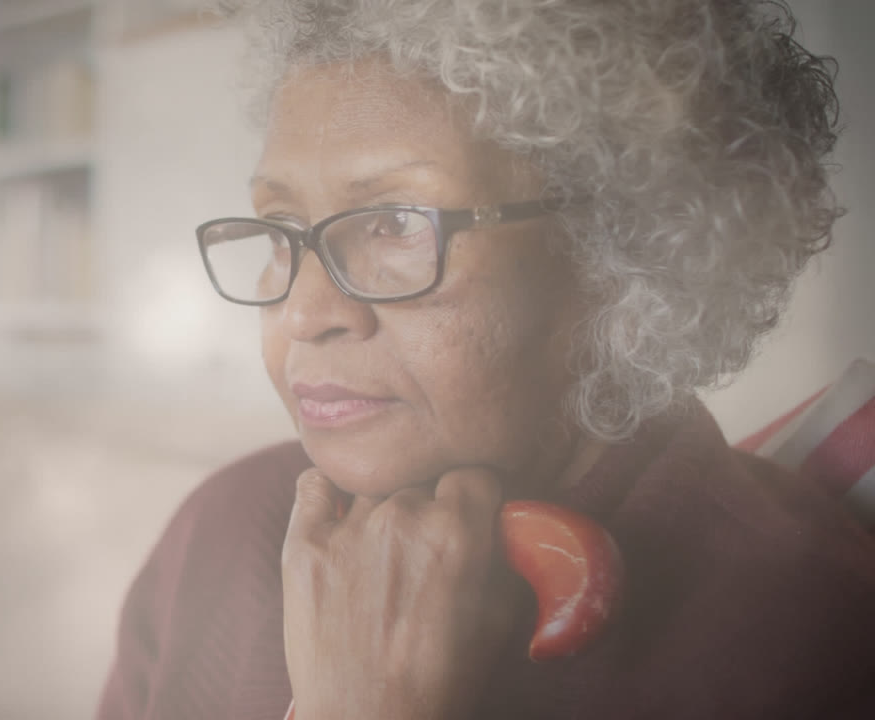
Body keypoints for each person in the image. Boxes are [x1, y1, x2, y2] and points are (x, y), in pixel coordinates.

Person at [96, 1, 875, 718]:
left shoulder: (808, 625)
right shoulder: (224, 527)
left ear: (613, 255)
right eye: (280, 229)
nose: (304, 314)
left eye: (396, 225)